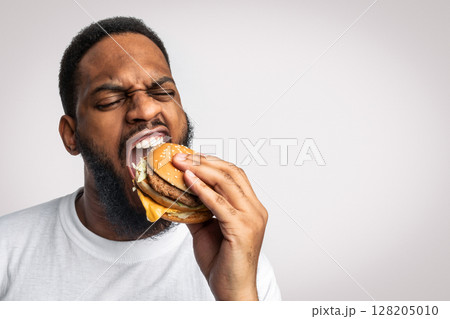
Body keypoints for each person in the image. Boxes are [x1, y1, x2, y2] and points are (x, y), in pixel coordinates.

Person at [0, 16, 281, 301]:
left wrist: (237, 297)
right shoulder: (7, 250)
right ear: (71, 136)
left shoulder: (240, 265)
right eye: (110, 101)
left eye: (163, 92)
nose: (146, 109)